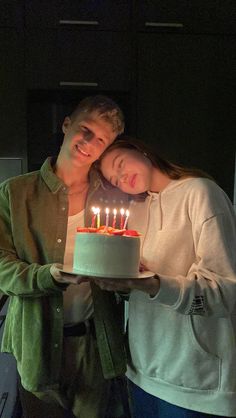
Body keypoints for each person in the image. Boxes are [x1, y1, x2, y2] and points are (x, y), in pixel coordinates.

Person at [0, 96, 131, 418]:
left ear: (106, 148)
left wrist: (127, 280)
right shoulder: (14, 193)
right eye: (85, 129)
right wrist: (49, 276)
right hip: (36, 342)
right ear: (67, 124)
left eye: (100, 139)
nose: (89, 142)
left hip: (95, 345)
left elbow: (126, 268)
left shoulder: (115, 197)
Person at [93, 136, 236, 418]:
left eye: (119, 164)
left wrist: (155, 285)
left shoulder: (200, 192)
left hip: (195, 383)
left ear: (142, 151)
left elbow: (224, 294)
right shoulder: (134, 211)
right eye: (114, 180)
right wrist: (121, 283)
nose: (121, 178)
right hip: (141, 373)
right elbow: (137, 286)